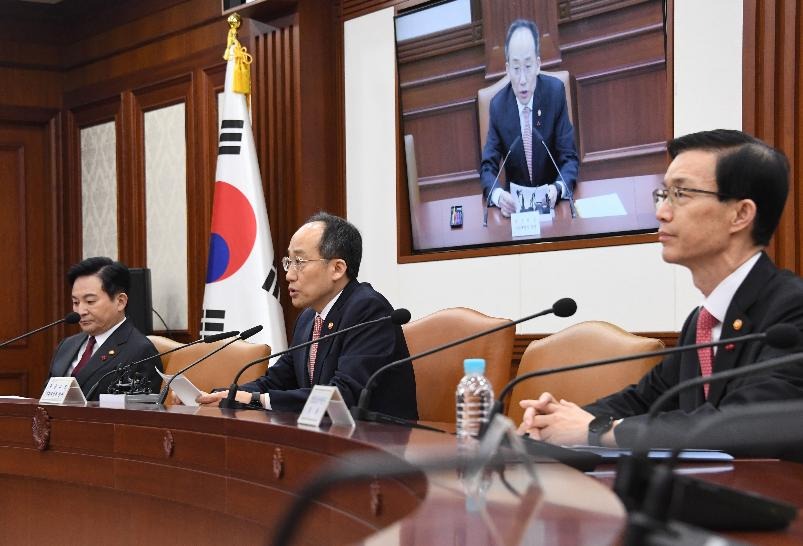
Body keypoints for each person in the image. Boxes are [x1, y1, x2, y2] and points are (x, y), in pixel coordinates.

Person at [518, 129, 803, 448]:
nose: (661, 212)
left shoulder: (792, 311)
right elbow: (645, 399)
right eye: (663, 194)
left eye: (680, 194)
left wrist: (596, 430)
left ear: (740, 214)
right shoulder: (702, 321)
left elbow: (746, 425)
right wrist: (555, 421)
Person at [197, 213, 418, 420]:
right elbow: (277, 381)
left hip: (379, 440)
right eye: (288, 262)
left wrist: (257, 400)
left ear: (337, 268)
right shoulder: (308, 318)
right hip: (327, 435)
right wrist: (223, 395)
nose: (289, 275)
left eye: (300, 262)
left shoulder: (369, 310)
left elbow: (343, 394)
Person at [480, 19, 579, 217]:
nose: (523, 80)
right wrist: (499, 196)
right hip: (516, 211)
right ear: (507, 69)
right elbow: (487, 167)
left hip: (554, 207)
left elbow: (569, 158)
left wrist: (558, 189)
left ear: (538, 65)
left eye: (528, 66)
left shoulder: (555, 93)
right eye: (516, 69)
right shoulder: (498, 106)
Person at [47, 257, 160, 401]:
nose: (80, 311)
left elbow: (138, 411)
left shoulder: (141, 351)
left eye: (90, 301)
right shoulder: (66, 346)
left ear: (120, 302)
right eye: (75, 302)